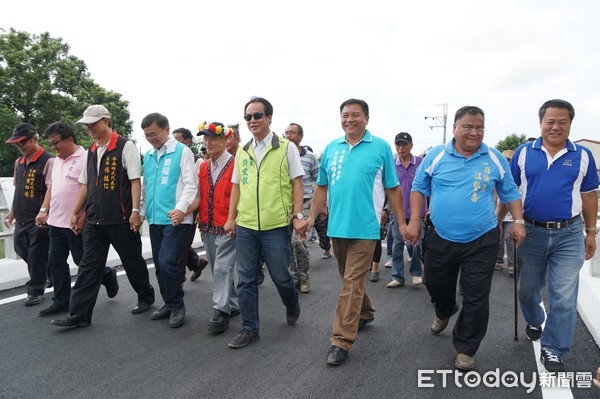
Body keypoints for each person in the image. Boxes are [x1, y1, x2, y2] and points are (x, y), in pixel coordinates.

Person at [407, 105, 525, 370]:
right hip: (440, 237)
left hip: (481, 240)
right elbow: (418, 187)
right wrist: (414, 221)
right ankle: (444, 309)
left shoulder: (494, 157)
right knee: (435, 283)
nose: (474, 132)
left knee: (476, 296)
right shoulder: (436, 155)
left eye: (479, 127)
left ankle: (466, 348)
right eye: (468, 127)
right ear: (455, 128)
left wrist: (518, 222)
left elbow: (510, 191)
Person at [306, 98, 407, 366]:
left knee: (350, 283)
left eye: (356, 115)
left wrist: (403, 222)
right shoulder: (331, 148)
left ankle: (341, 340)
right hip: (337, 228)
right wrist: (310, 218)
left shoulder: (381, 147)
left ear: (366, 118)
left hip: (366, 229)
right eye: (345, 114)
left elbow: (393, 188)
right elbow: (320, 187)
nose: (350, 119)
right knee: (349, 281)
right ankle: (366, 311)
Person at [509, 99, 598, 372]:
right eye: (551, 121)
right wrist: (509, 221)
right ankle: (535, 320)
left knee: (564, 295)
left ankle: (554, 348)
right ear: (541, 123)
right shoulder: (524, 153)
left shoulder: (582, 155)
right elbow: (510, 191)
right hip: (531, 232)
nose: (556, 127)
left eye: (562, 122)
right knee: (526, 290)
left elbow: (588, 195)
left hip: (569, 234)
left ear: (570, 124)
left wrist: (591, 231)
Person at [51, 104, 155, 328]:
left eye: (93, 124)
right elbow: (85, 185)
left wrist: (135, 212)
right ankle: (79, 314)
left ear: (106, 121)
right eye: (86, 125)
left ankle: (145, 295)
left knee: (132, 261)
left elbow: (135, 181)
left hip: (120, 219)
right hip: (95, 220)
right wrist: (75, 212)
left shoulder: (125, 146)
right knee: (88, 266)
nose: (89, 128)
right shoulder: (91, 150)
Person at [224, 97, 305, 349]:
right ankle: (250, 329)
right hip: (247, 224)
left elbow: (297, 183)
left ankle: (291, 303)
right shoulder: (242, 150)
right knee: (246, 279)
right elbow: (236, 186)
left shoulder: (286, 147)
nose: (252, 121)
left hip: (276, 225)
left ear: (269, 117)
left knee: (281, 276)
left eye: (257, 116)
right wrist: (231, 218)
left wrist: (297, 215)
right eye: (248, 117)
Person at [35, 122, 118, 316]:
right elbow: (52, 188)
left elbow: (93, 189)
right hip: (55, 221)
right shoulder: (55, 161)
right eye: (51, 144)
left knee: (82, 260)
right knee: (55, 261)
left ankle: (107, 274)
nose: (53, 148)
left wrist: (84, 215)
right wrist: (43, 209)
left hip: (77, 222)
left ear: (70, 139)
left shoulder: (86, 156)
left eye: (56, 143)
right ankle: (62, 300)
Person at [139, 113, 197, 328]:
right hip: (155, 219)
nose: (151, 138)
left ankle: (177, 305)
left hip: (177, 219)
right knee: (159, 266)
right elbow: (146, 188)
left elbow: (191, 185)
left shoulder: (182, 152)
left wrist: (181, 209)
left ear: (166, 129)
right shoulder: (149, 155)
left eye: (153, 134)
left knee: (168, 262)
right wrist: (141, 212)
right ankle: (168, 303)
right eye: (146, 135)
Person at [196, 121, 240, 333]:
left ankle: (220, 311)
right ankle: (232, 303)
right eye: (205, 139)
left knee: (222, 267)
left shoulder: (237, 164)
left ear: (226, 139)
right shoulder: (203, 166)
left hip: (228, 224)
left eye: (213, 138)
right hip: (207, 224)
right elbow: (198, 194)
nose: (208, 142)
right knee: (216, 267)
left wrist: (235, 219)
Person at [4, 123, 54, 306]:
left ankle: (35, 290)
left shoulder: (48, 160)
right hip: (22, 216)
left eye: (22, 142)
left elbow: (51, 188)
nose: (20, 147)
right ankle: (50, 273)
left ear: (34, 139)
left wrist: (44, 211)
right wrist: (11, 213)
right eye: (17, 144)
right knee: (21, 249)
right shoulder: (19, 163)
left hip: (39, 217)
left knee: (36, 254)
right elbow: (18, 190)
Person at [387, 132, 426, 288]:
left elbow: (429, 186)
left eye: (404, 144)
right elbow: (387, 188)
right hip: (398, 213)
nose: (401, 148)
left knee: (415, 244)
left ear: (411, 145)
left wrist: (429, 208)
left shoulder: (421, 162)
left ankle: (416, 273)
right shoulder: (391, 164)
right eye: (398, 144)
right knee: (397, 245)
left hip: (418, 212)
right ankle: (397, 277)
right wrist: (385, 209)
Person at [284, 122, 319, 293]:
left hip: (305, 203)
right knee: (287, 245)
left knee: (298, 241)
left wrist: (322, 205)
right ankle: (295, 276)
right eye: (286, 133)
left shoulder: (310, 157)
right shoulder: (281, 154)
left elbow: (320, 182)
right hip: (286, 205)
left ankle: (304, 277)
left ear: (301, 136)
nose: (288, 136)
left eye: (292, 132)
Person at [172, 127, 209, 283]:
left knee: (180, 246)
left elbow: (199, 190)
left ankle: (178, 282)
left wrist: (197, 211)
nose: (175, 143)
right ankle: (196, 262)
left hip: (190, 209)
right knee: (177, 244)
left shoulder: (197, 161)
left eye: (178, 139)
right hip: (174, 209)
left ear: (188, 141)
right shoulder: (171, 158)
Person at [495, 149, 516, 276]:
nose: (507, 162)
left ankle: (513, 264)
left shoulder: (514, 176)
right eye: (505, 160)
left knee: (509, 238)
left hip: (510, 215)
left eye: (509, 160)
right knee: (497, 238)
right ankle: (498, 260)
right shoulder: (496, 172)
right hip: (496, 213)